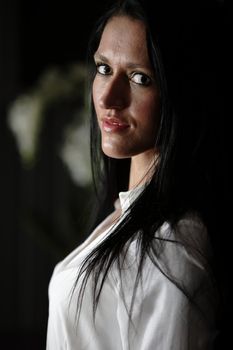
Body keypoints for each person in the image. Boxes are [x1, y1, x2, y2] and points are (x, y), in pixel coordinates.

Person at [46, 0, 224, 349]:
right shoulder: (125, 215)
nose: (109, 98)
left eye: (139, 77)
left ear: (178, 92)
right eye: (103, 69)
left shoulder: (170, 251)